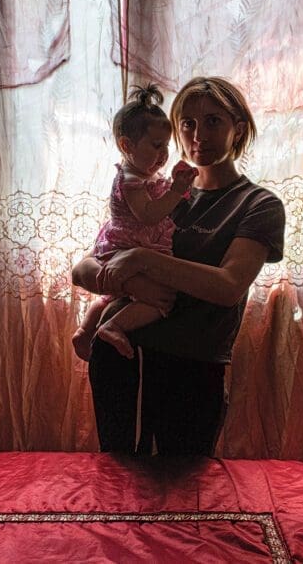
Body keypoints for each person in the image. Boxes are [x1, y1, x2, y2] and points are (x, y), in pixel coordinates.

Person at [71, 76, 285, 456]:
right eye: (187, 123)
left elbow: (228, 286)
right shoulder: (159, 192)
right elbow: (86, 269)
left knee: (185, 495)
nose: (198, 134)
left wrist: (141, 261)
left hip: (192, 369)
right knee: (118, 486)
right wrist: (111, 277)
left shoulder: (258, 205)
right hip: (121, 357)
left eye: (214, 121)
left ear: (239, 127)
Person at [70, 85, 198, 362]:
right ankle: (112, 326)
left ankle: (85, 329)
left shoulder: (144, 175)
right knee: (160, 301)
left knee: (110, 296)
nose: (164, 154)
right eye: (156, 145)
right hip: (129, 246)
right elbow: (149, 215)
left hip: (125, 247)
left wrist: (177, 186)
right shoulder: (131, 180)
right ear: (127, 146)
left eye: (166, 145)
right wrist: (176, 192)